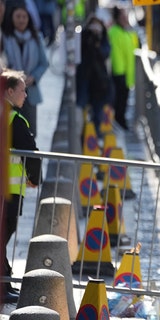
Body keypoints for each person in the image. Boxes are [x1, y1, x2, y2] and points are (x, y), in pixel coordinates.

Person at [1, 70, 41, 303]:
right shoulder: (15, 119)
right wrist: (34, 179)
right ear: (9, 91)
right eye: (22, 90)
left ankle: (5, 281)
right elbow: (31, 154)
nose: (26, 94)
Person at [2, 4, 49, 137]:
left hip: (30, 91)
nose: (21, 20)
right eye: (18, 16)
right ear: (11, 18)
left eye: (24, 17)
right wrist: (14, 77)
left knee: (30, 132)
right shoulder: (5, 38)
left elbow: (44, 63)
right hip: (9, 92)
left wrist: (33, 77)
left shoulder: (36, 37)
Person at [76, 15, 111, 133]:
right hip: (84, 78)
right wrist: (88, 36)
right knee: (81, 107)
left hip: (99, 81)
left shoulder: (104, 39)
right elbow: (79, 52)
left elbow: (105, 54)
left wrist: (97, 41)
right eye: (93, 25)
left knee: (98, 110)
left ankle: (96, 135)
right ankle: (83, 133)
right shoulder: (84, 37)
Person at [108, 6, 139, 130]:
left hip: (126, 71)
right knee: (119, 100)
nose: (126, 18)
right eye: (123, 16)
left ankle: (120, 120)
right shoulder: (114, 32)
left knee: (124, 99)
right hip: (119, 72)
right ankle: (119, 121)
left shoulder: (126, 32)